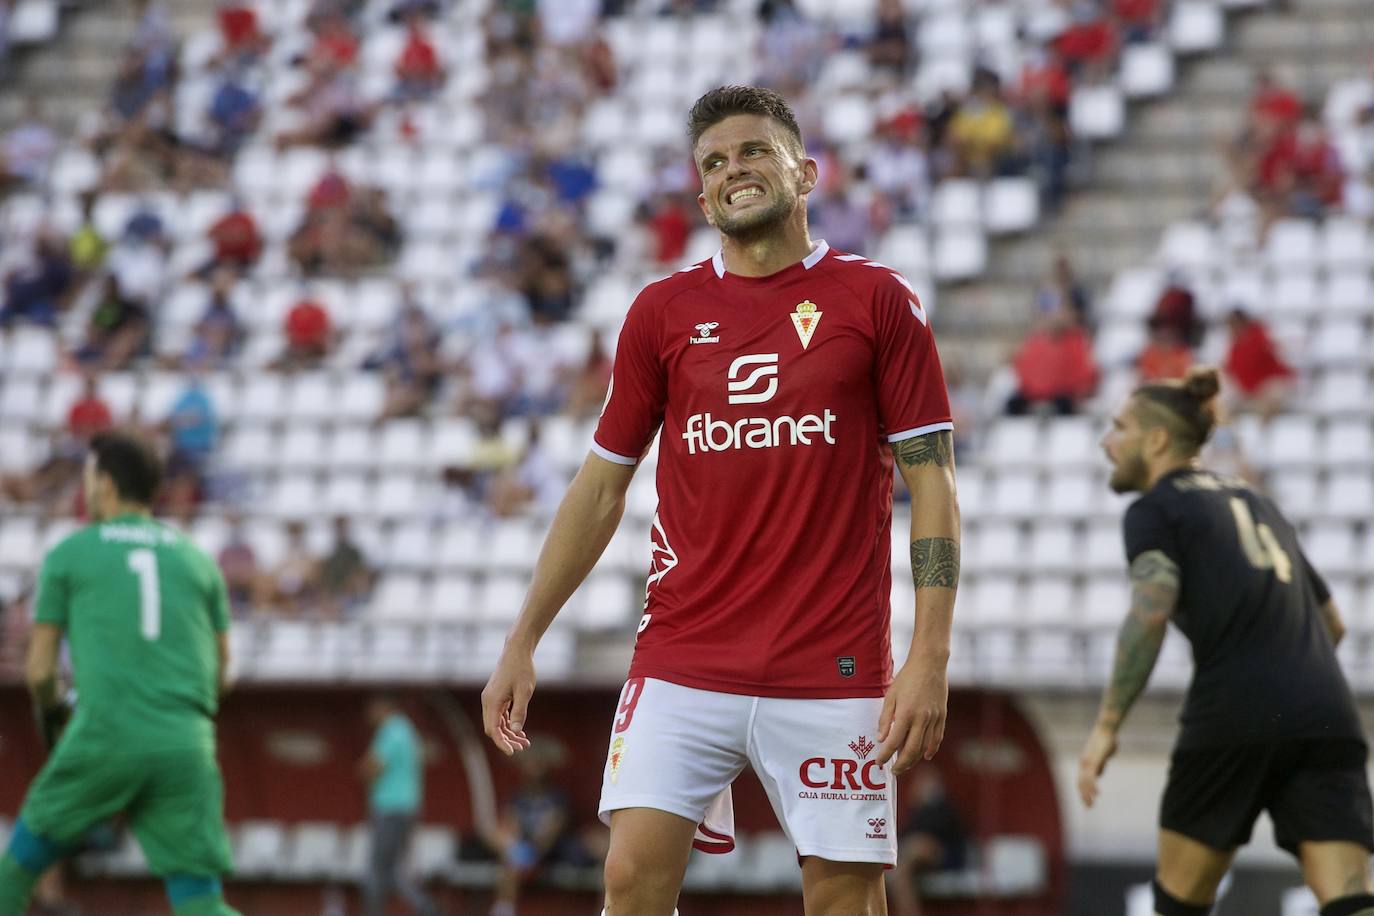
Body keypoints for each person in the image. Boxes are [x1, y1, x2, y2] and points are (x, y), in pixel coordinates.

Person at [481, 85, 959, 916]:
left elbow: (933, 481)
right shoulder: (661, 313)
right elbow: (600, 487)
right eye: (714, 162)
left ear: (803, 172)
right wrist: (523, 638)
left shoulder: (878, 300)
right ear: (701, 199)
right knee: (628, 877)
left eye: (752, 151)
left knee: (845, 895)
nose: (733, 169)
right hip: (684, 651)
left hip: (832, 659)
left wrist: (930, 655)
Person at [1078, 366, 1373, 916]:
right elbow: (1332, 623)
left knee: (1179, 901)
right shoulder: (1257, 502)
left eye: (1118, 427)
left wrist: (1106, 728)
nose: (1106, 441)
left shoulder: (1155, 510)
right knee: (1349, 898)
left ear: (1157, 439)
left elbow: (1151, 608)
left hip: (1234, 709)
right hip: (1327, 711)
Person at [0, 431, 240, 916]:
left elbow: (41, 671)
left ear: (105, 483)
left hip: (106, 733)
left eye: (88, 477)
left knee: (16, 871)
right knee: (200, 900)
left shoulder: (71, 553)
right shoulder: (199, 560)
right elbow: (222, 674)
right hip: (185, 742)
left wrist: (56, 714)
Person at [359, 694, 440, 916]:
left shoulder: (390, 731)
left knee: (378, 869)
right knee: (395, 869)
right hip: (408, 807)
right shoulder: (407, 729)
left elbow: (371, 766)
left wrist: (362, 771)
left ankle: (423, 908)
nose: (369, 716)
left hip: (390, 808)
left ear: (382, 706)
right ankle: (425, 907)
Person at [888, 767, 967, 916]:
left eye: (926, 782)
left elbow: (945, 837)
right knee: (902, 871)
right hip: (912, 861)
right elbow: (904, 835)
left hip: (944, 857)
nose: (921, 786)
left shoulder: (945, 810)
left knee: (918, 845)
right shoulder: (915, 812)